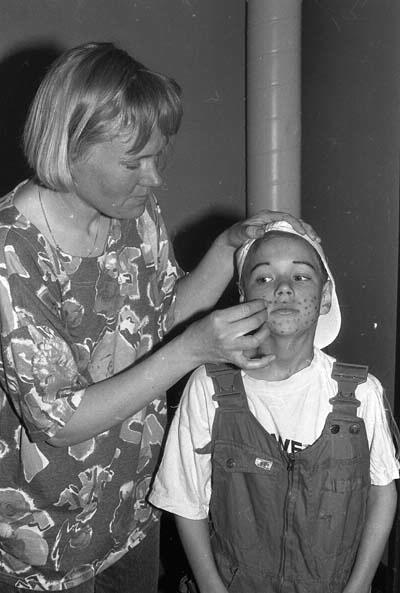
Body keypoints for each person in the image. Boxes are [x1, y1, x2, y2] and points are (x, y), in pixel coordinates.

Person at [0, 42, 315, 592]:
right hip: (46, 536)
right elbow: (58, 421)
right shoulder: (13, 250)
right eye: (133, 163)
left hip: (131, 509)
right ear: (69, 149)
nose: (154, 179)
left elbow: (160, 315)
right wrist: (193, 350)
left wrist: (227, 247)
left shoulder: (132, 212)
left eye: (156, 157)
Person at [150, 220, 400, 593]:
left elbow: (382, 491)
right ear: (243, 296)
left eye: (301, 277)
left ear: (325, 297)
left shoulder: (363, 393)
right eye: (264, 278)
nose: (283, 288)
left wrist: (359, 586)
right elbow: (186, 502)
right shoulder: (208, 388)